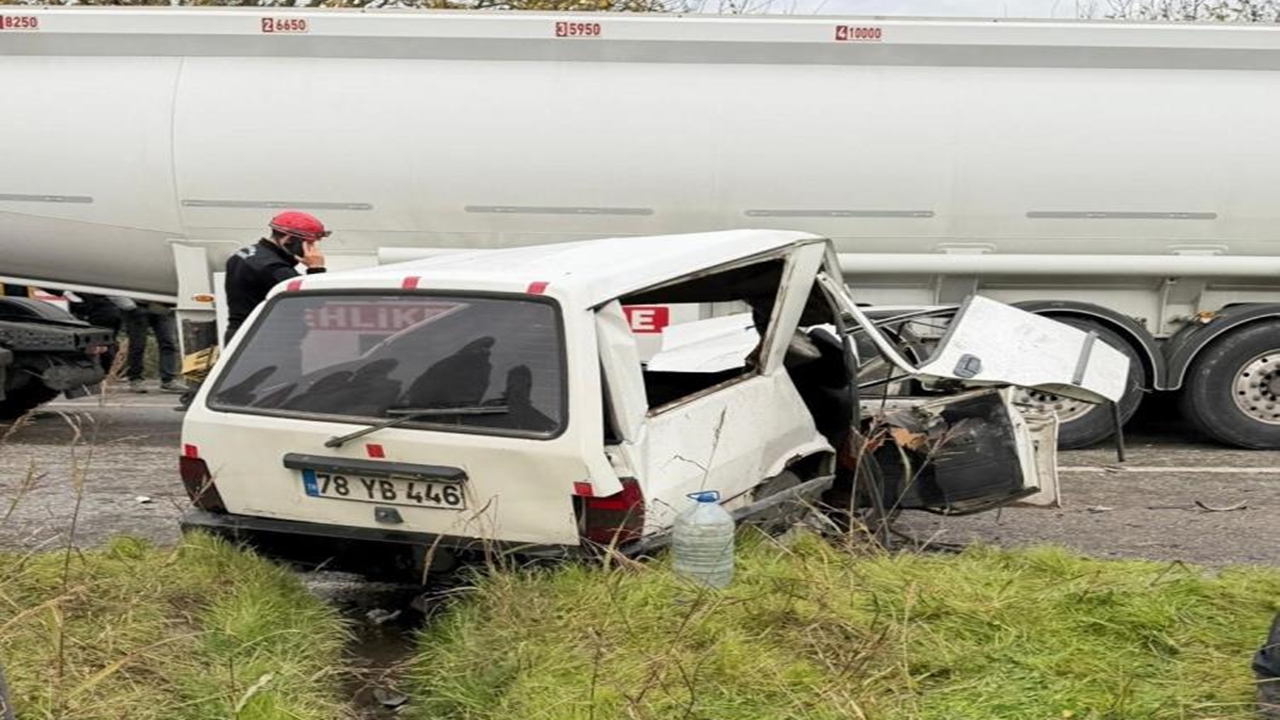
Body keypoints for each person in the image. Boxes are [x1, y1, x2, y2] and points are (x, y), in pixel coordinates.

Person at [224, 211, 328, 341]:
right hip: (264, 342)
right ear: (289, 239)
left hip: (241, 335)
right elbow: (315, 302)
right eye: (309, 243)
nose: (313, 249)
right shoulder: (274, 268)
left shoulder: (246, 253)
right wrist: (316, 268)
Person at [124, 302, 186, 394]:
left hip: (163, 307)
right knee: (137, 345)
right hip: (138, 305)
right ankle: (135, 379)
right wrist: (128, 305)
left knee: (169, 343)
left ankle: (168, 380)